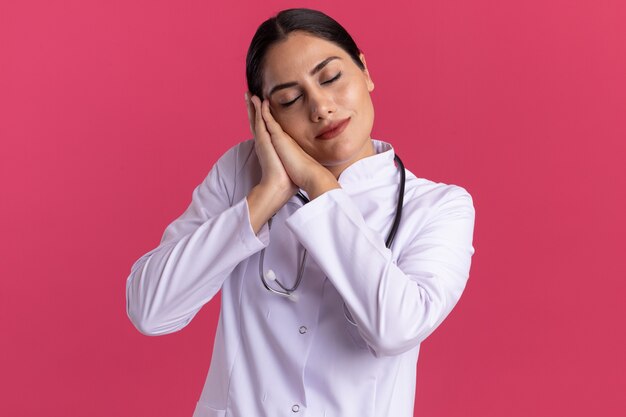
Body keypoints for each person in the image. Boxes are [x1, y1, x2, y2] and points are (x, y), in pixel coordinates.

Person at [126, 7, 475, 417]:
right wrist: (266, 196)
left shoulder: (438, 207)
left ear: (364, 70)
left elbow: (394, 330)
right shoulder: (242, 173)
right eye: (290, 98)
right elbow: (150, 310)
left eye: (331, 78)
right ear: (264, 114)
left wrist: (319, 185)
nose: (321, 107)